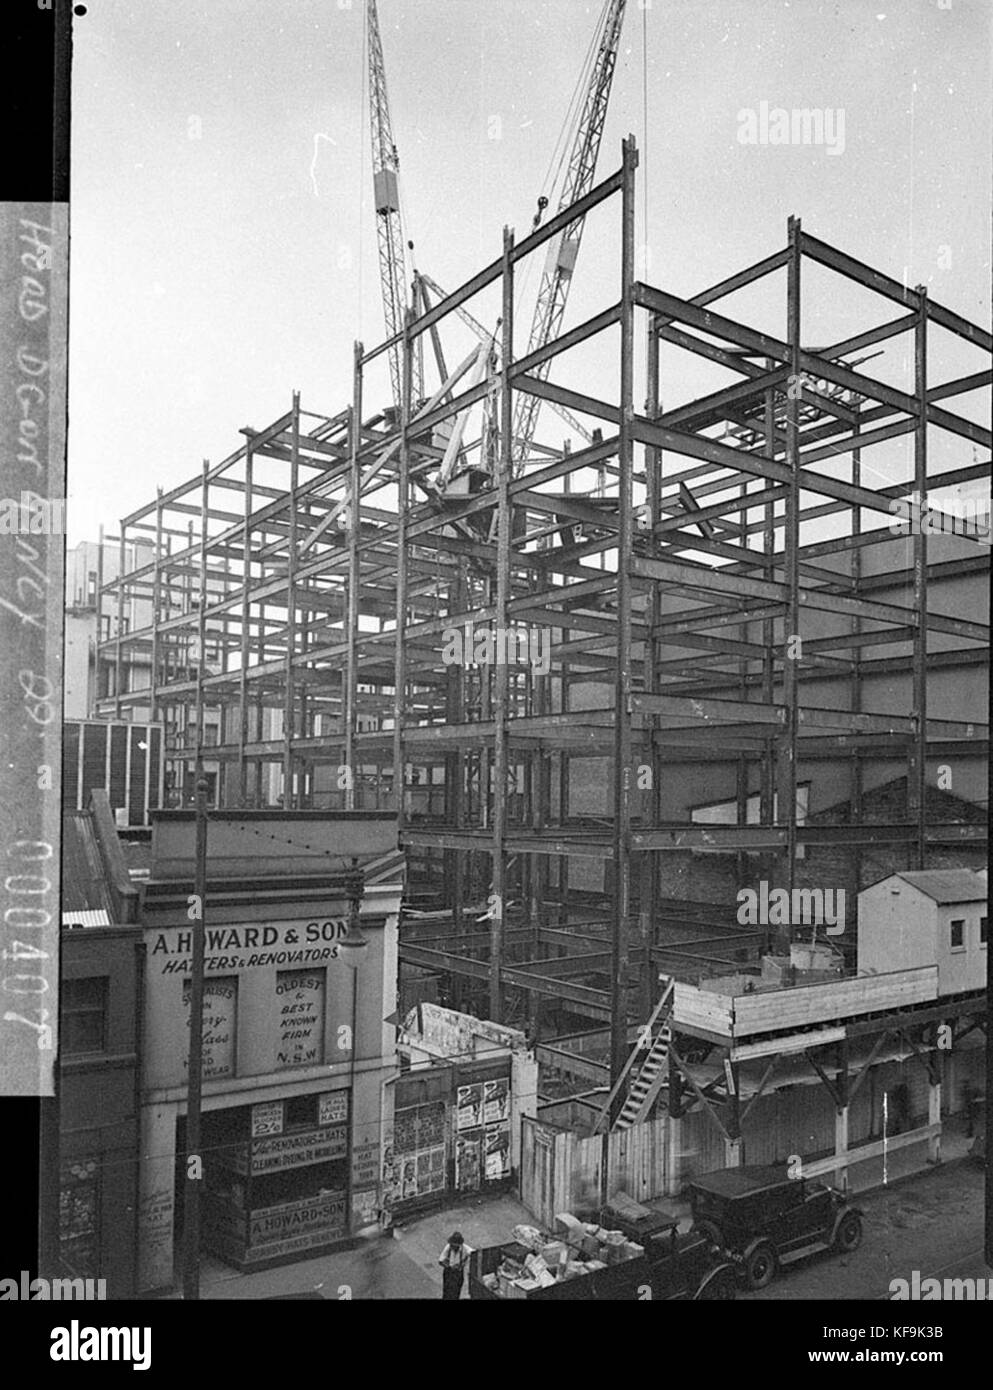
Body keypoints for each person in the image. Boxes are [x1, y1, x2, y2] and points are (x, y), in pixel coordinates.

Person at [438, 1230, 469, 1300]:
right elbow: (440, 1261)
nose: (452, 1246)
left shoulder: (465, 1249)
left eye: (454, 1245)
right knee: (447, 1292)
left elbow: (472, 1254)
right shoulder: (448, 1247)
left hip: (458, 1274)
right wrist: (449, 1266)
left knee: (456, 1293)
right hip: (449, 1273)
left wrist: (462, 1265)